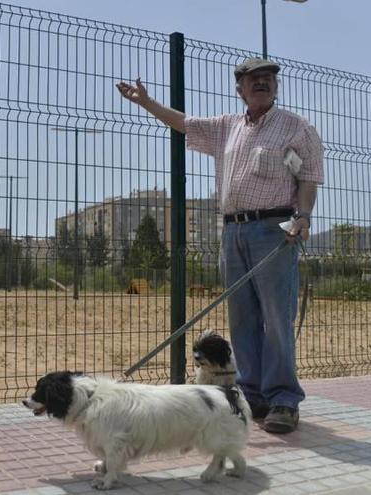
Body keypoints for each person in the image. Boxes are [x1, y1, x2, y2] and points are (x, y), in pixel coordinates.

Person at [117, 58, 324, 434]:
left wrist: (305, 216)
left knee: (277, 318)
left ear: (275, 87)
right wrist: (146, 102)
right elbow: (185, 123)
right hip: (233, 232)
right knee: (242, 318)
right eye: (253, 79)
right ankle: (252, 394)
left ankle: (283, 399)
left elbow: (308, 177)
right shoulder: (227, 127)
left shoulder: (297, 127)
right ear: (240, 88)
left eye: (268, 79)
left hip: (274, 231)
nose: (261, 83)